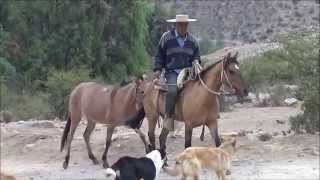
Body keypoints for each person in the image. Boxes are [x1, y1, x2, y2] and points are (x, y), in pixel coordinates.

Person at [153, 14, 201, 131]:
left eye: (185, 24)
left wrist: (196, 61)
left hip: (188, 72)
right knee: (173, 91)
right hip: (172, 71)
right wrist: (158, 69)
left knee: (202, 88)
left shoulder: (193, 41)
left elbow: (197, 56)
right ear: (176, 25)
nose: (183, 27)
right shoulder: (166, 38)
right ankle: (168, 117)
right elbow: (159, 55)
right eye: (181, 24)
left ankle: (207, 114)